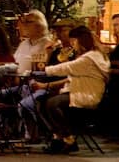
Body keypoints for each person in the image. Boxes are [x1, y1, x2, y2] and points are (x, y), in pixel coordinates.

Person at [37, 25, 109, 154]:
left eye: (74, 41)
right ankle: (58, 138)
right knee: (41, 101)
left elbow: (68, 67)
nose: (72, 45)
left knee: (52, 104)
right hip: (78, 91)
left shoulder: (90, 58)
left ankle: (68, 139)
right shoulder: (87, 56)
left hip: (87, 95)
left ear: (80, 41)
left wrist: (45, 70)